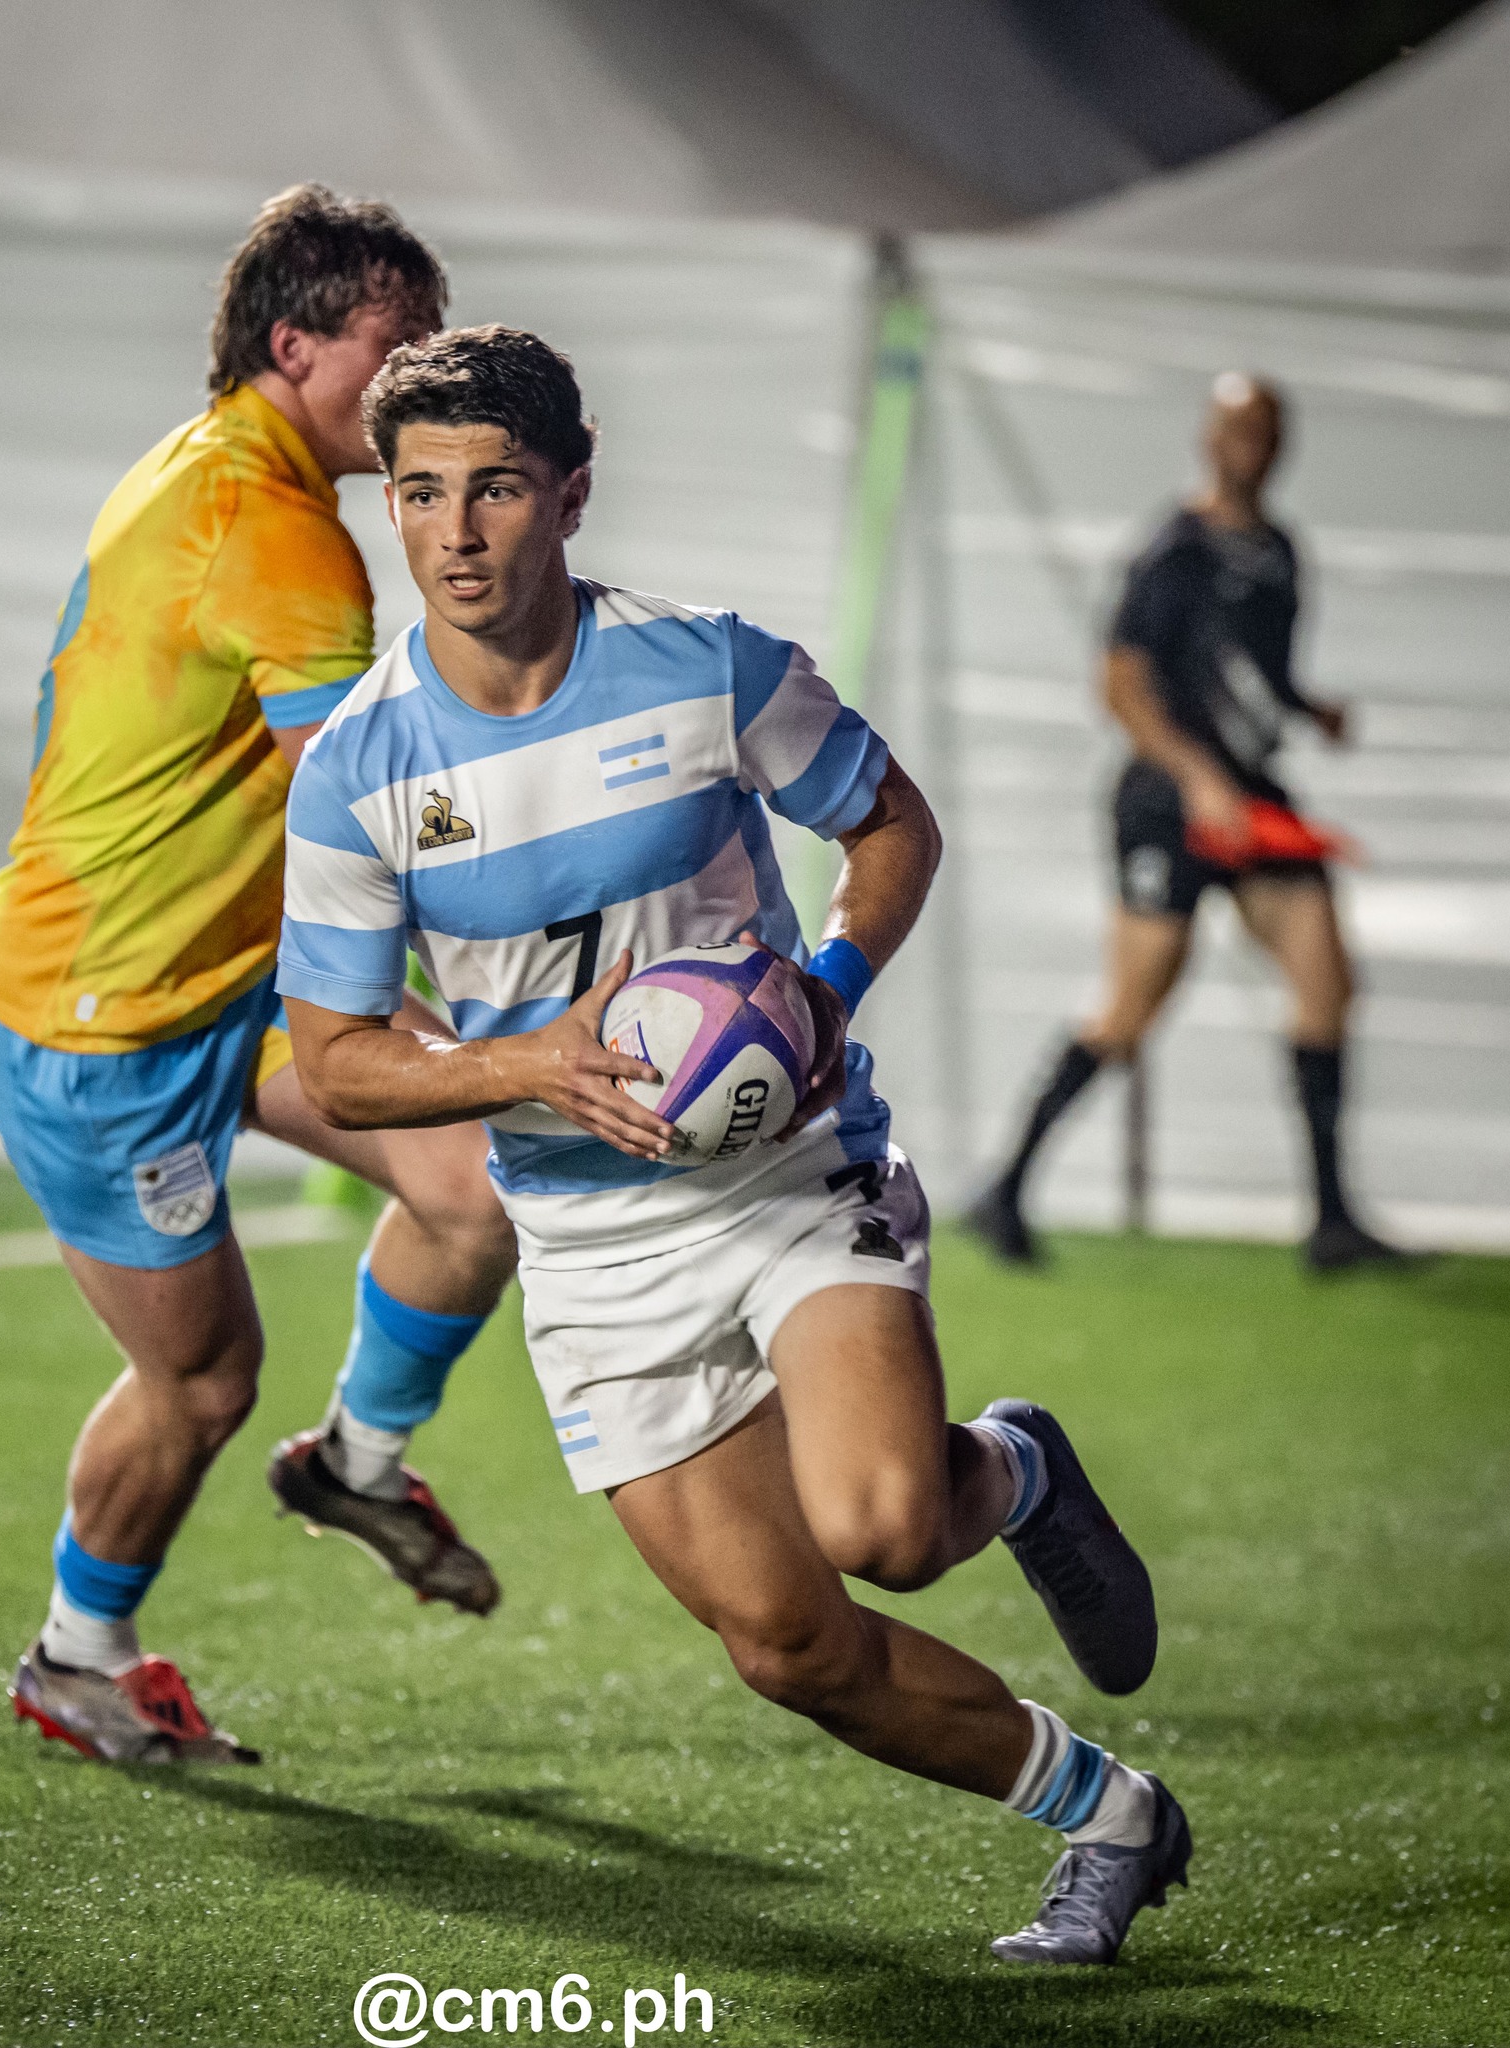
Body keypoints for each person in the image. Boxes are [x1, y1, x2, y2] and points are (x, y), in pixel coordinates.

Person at [276, 325, 1191, 1965]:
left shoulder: (705, 667)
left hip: (785, 1174)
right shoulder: (355, 770)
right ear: (390, 512)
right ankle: (1112, 1814)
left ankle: (1011, 1469)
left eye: (493, 488)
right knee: (784, 1642)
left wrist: (829, 979)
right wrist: (524, 1067)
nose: (457, 530)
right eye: (418, 494)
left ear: (569, 489)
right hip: (585, 1238)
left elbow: (888, 820)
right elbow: (336, 1064)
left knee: (887, 1526)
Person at [0, 188, 520, 1768]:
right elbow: (365, 813)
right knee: (202, 1380)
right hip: (106, 1027)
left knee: (475, 1188)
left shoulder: (203, 461)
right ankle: (76, 1656)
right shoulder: (283, 537)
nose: (424, 387)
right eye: (397, 352)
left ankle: (358, 1463)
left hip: (225, 978)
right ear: (296, 343)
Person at [966, 374, 1409, 1274]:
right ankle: (1003, 1191)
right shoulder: (1172, 551)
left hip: (1257, 801)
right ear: (1210, 439)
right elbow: (1121, 685)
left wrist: (1309, 708)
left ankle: (1331, 1220)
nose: (1252, 445)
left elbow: (1257, 675)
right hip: (1167, 806)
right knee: (1130, 1012)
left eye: (1267, 430)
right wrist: (1200, 779)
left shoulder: (1281, 552)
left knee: (1328, 981)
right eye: (1237, 429)